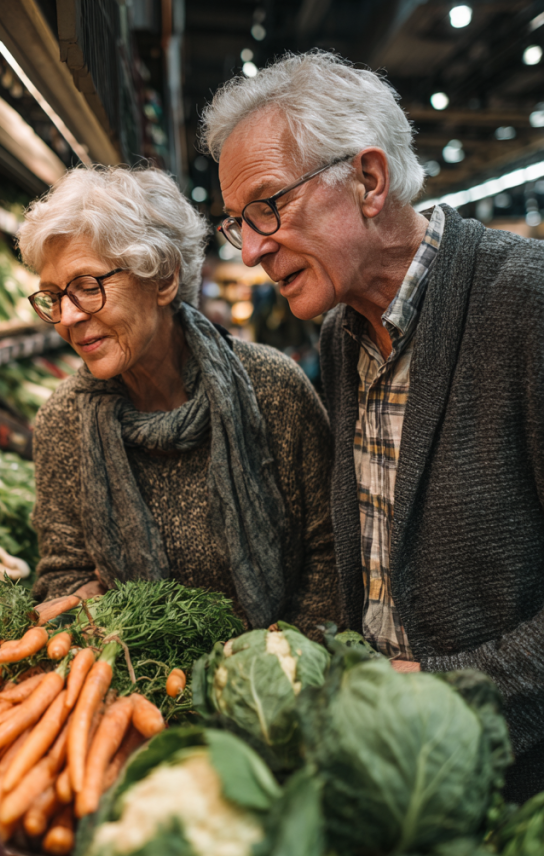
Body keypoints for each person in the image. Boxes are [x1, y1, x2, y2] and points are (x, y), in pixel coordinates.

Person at [201, 49, 544, 799]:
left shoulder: (525, 305)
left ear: (366, 179)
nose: (252, 248)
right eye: (237, 224)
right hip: (386, 772)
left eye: (268, 205)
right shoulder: (339, 332)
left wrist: (446, 691)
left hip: (509, 786)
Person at [16, 166, 338, 637]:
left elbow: (328, 556)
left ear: (163, 278)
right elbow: (63, 573)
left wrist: (276, 674)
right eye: (51, 296)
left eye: (87, 287)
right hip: (134, 688)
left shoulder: (274, 390)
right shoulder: (62, 424)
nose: (66, 317)